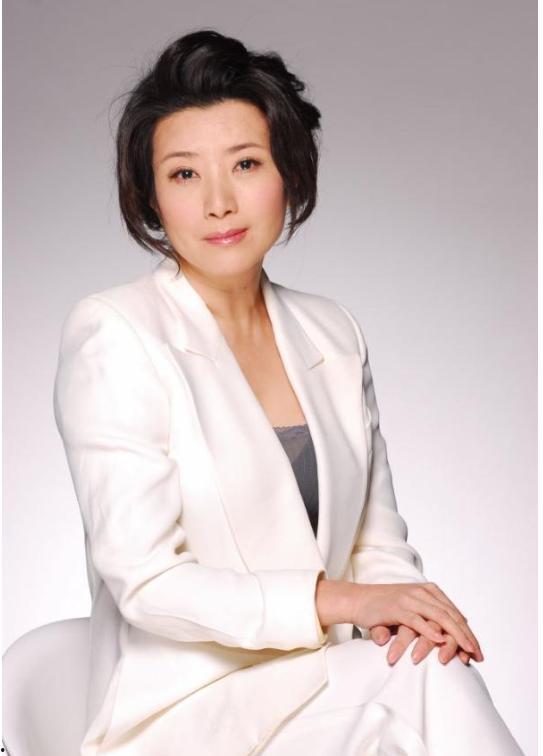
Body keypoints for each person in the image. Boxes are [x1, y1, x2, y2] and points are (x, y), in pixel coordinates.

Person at [53, 28, 524, 755]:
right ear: (150, 196)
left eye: (245, 164)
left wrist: (408, 618)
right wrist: (340, 601)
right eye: (184, 174)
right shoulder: (116, 333)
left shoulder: (332, 332)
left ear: (289, 173)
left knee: (429, 667)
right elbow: (147, 581)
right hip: (187, 711)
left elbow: (376, 543)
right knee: (425, 689)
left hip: (326, 689)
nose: (218, 202)